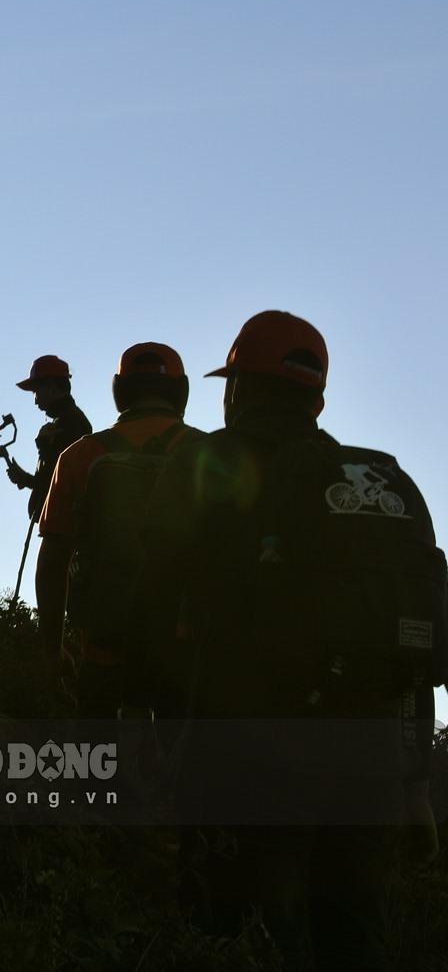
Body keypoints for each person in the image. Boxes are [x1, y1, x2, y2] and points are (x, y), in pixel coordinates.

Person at [138, 311, 445, 969]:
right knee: (355, 937)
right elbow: (411, 650)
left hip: (248, 750)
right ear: (319, 398)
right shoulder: (376, 489)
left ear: (238, 387)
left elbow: (148, 609)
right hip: (372, 765)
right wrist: (414, 784)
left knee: (239, 932)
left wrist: (157, 743)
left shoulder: (206, 461)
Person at [34, 342, 203, 714]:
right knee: (189, 768)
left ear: (119, 391)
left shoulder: (80, 455)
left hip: (104, 649)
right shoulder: (212, 454)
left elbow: (52, 563)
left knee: (95, 763)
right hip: (188, 653)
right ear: (181, 391)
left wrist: (51, 649)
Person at [5, 354, 92, 520]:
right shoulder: (69, 420)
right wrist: (26, 479)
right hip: (60, 525)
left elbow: (61, 484)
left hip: (62, 528)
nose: (35, 400)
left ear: (51, 387)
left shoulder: (70, 422)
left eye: (36, 391)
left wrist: (44, 448)